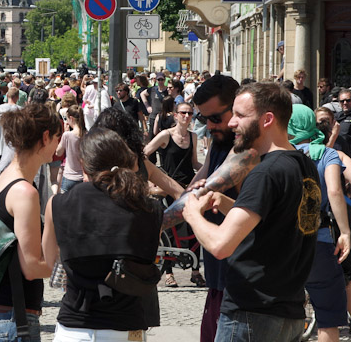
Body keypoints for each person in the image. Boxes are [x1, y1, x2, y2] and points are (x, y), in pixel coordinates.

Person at [183, 82, 321, 341]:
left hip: (250, 315)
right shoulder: (303, 165)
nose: (232, 123)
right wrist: (223, 202)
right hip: (288, 312)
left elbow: (221, 245)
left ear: (267, 119)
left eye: (240, 116)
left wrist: (192, 213)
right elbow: (274, 225)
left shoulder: (265, 173)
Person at [42, 128, 161, 341]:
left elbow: (47, 261)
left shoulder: (58, 204)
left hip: (76, 326)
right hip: (127, 327)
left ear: (83, 164)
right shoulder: (148, 207)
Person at [0, 103, 60, 342]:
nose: (58, 145)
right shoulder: (24, 192)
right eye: (57, 137)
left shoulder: (4, 178)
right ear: (45, 137)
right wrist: (67, 265)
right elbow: (32, 267)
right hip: (11, 319)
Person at [288, 104, 351, 342]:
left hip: (283, 241)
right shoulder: (327, 154)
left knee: (281, 312)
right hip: (319, 238)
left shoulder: (280, 154)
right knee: (328, 315)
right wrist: (344, 231)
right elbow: (335, 191)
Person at [144, 101, 204, 288]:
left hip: (188, 187)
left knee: (196, 227)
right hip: (168, 188)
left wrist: (212, 172)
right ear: (175, 115)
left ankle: (195, 271)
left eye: (190, 113)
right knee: (169, 229)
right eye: (183, 113)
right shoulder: (165, 135)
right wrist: (152, 179)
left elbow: (194, 163)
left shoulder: (193, 137)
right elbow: (144, 154)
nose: (187, 117)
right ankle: (169, 273)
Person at [55, 105, 85, 193]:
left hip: (69, 176)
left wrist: (65, 132)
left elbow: (58, 152)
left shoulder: (67, 135)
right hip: (83, 176)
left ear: (71, 118)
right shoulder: (87, 134)